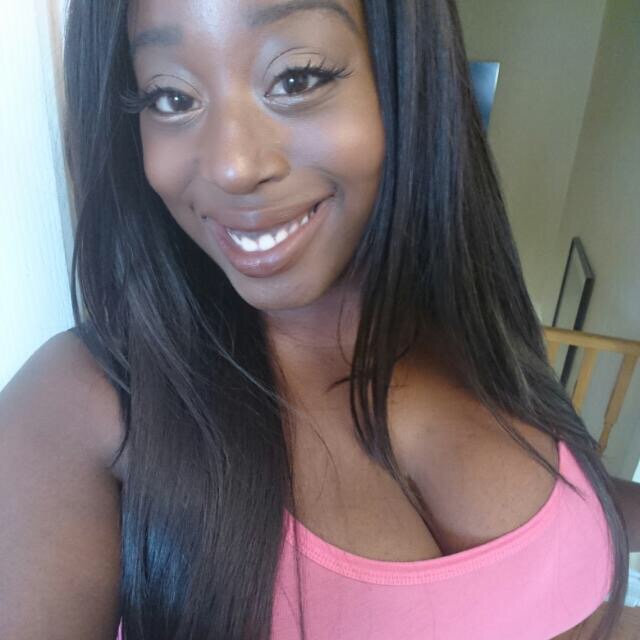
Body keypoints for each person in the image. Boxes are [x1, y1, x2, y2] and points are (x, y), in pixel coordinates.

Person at [0, 1, 633, 638]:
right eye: (171, 97)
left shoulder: (478, 332)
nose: (232, 167)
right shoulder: (78, 407)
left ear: (405, 76)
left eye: (296, 78)